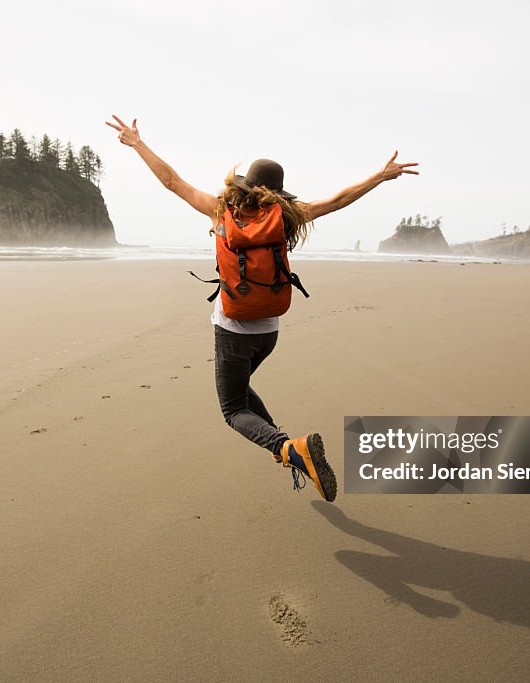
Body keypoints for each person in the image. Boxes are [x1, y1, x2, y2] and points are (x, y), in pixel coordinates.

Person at [106, 115, 418, 503]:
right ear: (279, 192)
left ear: (245, 184)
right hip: (268, 331)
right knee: (241, 391)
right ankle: (287, 449)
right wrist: (379, 176)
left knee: (234, 409)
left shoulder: (221, 212)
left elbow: (171, 181)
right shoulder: (288, 216)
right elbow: (336, 201)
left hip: (233, 329)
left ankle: (289, 449)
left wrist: (137, 144)